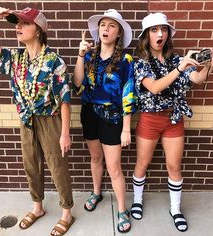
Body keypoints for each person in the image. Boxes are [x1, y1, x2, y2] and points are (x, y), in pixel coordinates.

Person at [0, 7, 75, 236]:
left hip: (50, 120)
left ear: (39, 30)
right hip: (26, 119)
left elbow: (64, 99)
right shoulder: (14, 57)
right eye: (16, 23)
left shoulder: (54, 61)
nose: (18, 27)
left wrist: (65, 133)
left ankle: (66, 213)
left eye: (24, 23)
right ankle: (37, 207)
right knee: (31, 165)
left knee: (57, 166)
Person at [131, 12, 213, 232]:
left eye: (164, 29)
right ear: (146, 35)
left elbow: (197, 79)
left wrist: (206, 64)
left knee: (174, 166)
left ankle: (175, 209)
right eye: (155, 30)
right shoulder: (140, 63)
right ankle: (137, 201)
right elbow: (155, 87)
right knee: (142, 163)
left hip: (174, 119)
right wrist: (180, 68)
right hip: (149, 119)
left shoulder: (177, 60)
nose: (161, 34)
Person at [73, 9, 138, 233]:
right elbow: (78, 83)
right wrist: (81, 56)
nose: (105, 29)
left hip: (112, 118)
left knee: (114, 167)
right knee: (95, 157)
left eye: (111, 25)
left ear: (118, 33)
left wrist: (126, 129)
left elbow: (128, 94)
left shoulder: (125, 60)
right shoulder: (89, 55)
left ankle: (121, 209)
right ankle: (97, 192)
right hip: (89, 113)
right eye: (103, 25)